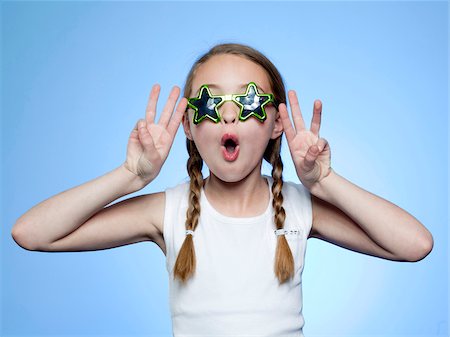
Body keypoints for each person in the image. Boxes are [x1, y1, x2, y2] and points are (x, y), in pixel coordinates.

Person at [11, 43, 434, 336]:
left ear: (275, 126)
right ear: (190, 129)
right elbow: (32, 233)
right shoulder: (167, 211)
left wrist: (326, 183)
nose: (229, 119)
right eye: (211, 106)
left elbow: (414, 244)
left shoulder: (303, 208)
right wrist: (130, 177)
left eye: (249, 104)